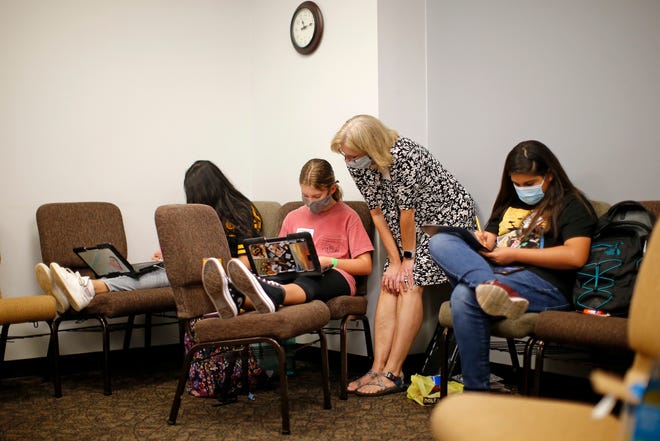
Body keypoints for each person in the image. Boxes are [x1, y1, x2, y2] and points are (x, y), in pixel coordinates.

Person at [429, 140, 597, 391]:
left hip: (545, 284)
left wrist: (514, 255)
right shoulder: (508, 203)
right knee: (440, 239)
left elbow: (576, 256)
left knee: (464, 295)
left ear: (549, 176)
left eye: (529, 184)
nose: (522, 189)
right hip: (499, 273)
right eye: (516, 184)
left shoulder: (571, 204)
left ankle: (475, 392)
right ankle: (489, 285)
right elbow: (492, 241)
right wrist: (484, 240)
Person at [330, 114, 476, 397]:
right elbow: (376, 212)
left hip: (444, 221)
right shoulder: (356, 162)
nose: (348, 162)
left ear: (371, 148)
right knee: (389, 282)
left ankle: (394, 372)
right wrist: (394, 262)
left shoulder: (405, 155)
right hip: (407, 225)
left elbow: (406, 212)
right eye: (345, 157)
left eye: (353, 156)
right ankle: (376, 368)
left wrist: (407, 261)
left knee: (410, 281)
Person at [35, 159, 263, 313]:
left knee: (162, 275)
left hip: (220, 273)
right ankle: (72, 291)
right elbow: (197, 246)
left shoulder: (243, 212)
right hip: (198, 267)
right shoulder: (205, 214)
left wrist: (210, 267)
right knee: (144, 269)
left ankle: (87, 287)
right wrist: (174, 254)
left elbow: (249, 260)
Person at [201, 158, 374, 318]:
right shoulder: (293, 216)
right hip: (293, 273)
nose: (310, 202)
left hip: (335, 275)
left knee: (310, 279)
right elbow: (278, 257)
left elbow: (365, 265)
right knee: (274, 278)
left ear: (332, 190)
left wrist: (331, 261)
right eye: (305, 196)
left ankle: (272, 295)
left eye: (316, 196)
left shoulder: (349, 217)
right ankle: (237, 297)